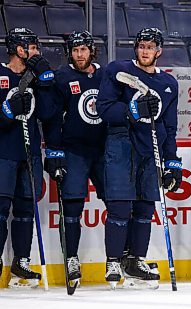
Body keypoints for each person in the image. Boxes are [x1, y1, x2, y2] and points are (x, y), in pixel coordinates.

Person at [95, 27, 181, 289]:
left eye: (150, 47)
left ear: (159, 51)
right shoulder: (118, 70)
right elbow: (104, 108)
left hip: (151, 146)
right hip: (121, 144)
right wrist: (132, 109)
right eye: (141, 46)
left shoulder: (168, 84)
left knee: (145, 208)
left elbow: (170, 125)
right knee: (120, 207)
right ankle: (113, 260)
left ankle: (135, 260)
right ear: (136, 48)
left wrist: (172, 161)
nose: (145, 51)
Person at [42, 31, 106, 287]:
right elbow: (52, 117)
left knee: (119, 203)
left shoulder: (105, 74)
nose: (79, 55)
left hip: (103, 151)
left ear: (92, 50)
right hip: (74, 151)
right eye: (74, 50)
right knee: (72, 208)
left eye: (83, 49)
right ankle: (71, 258)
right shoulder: (62, 77)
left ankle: (120, 258)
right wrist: (54, 150)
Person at [0, 28, 56, 287]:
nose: (35, 52)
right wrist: (8, 110)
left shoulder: (35, 78)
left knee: (26, 209)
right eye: (31, 47)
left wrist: (45, 81)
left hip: (30, 153)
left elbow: (47, 114)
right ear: (17, 49)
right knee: (0, 210)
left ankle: (21, 262)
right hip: (4, 154)